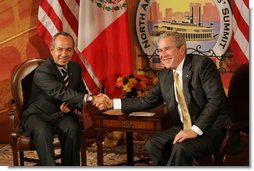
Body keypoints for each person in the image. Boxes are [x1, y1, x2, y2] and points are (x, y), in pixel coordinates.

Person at [98, 31, 232, 166]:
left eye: (167, 49)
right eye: (160, 50)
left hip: (211, 129)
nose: (162, 55)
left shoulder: (202, 65)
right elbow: (146, 100)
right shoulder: (164, 75)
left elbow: (215, 100)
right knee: (152, 144)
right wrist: (111, 103)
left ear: (182, 49)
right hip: (184, 127)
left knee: (181, 148)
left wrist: (194, 130)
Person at [20, 31, 110, 166]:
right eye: (60, 49)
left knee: (73, 127)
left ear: (73, 51)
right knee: (43, 131)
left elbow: (80, 92)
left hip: (62, 115)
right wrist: (93, 98)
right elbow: (60, 92)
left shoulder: (75, 67)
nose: (64, 54)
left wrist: (72, 105)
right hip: (38, 115)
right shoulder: (43, 70)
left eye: (68, 50)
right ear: (51, 50)